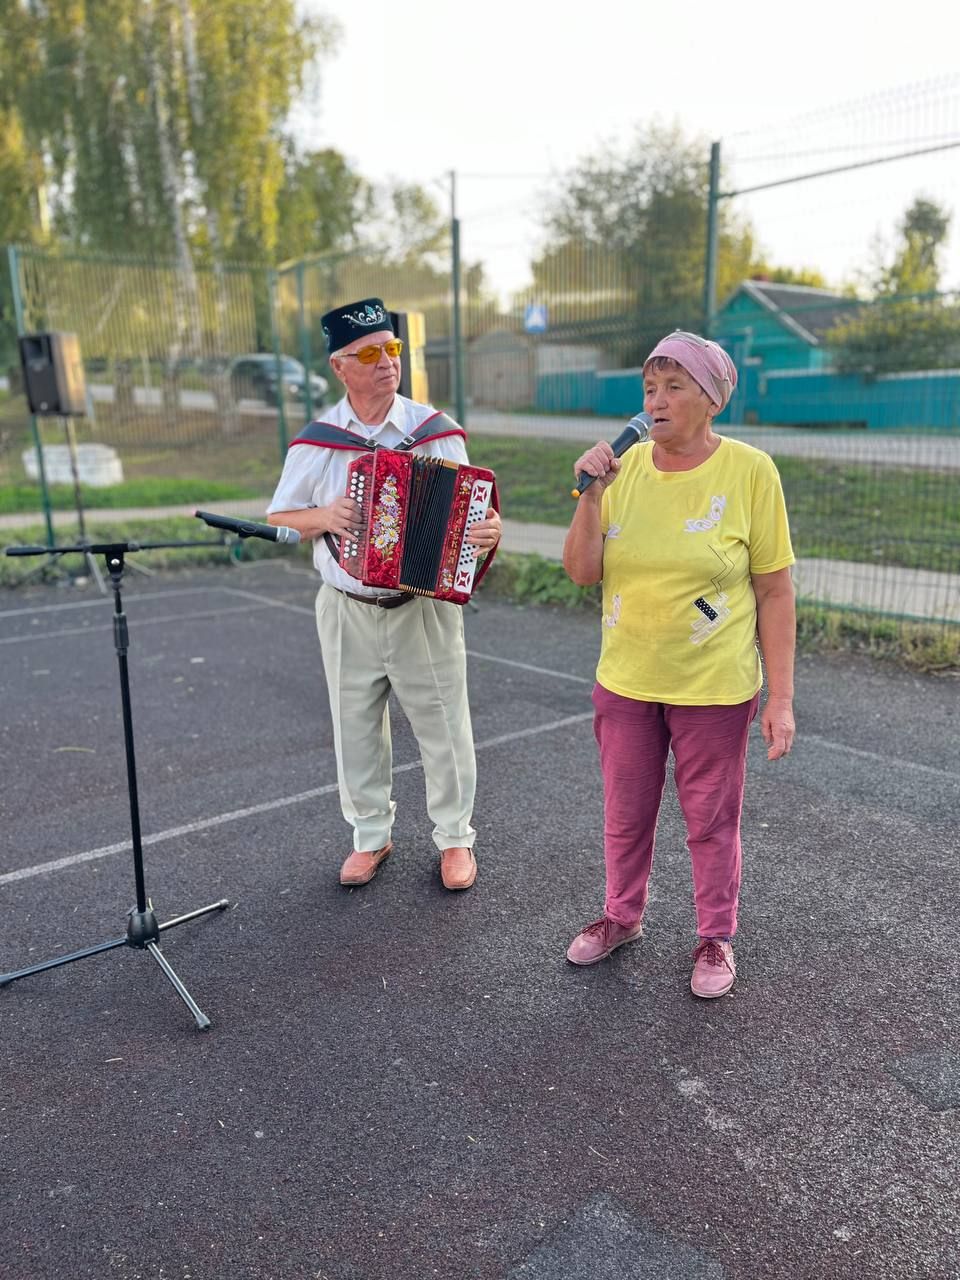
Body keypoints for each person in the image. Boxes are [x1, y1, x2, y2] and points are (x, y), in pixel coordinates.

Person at [562, 330, 796, 998]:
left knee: (711, 821)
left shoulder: (751, 472)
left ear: (711, 399)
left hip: (714, 687)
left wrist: (779, 699)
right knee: (625, 812)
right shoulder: (622, 469)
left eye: (673, 387)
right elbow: (582, 572)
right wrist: (592, 496)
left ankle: (715, 936)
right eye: (648, 387)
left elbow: (775, 591)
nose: (655, 400)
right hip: (627, 680)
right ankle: (621, 916)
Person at [266, 298, 501, 891]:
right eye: (368, 353)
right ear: (339, 367)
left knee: (445, 727)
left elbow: (476, 519)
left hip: (422, 608)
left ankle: (455, 840)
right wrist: (325, 514)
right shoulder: (318, 441)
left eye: (392, 349)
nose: (385, 361)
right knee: (355, 728)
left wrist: (489, 529)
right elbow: (281, 517)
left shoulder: (434, 431)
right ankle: (371, 837)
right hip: (346, 609)